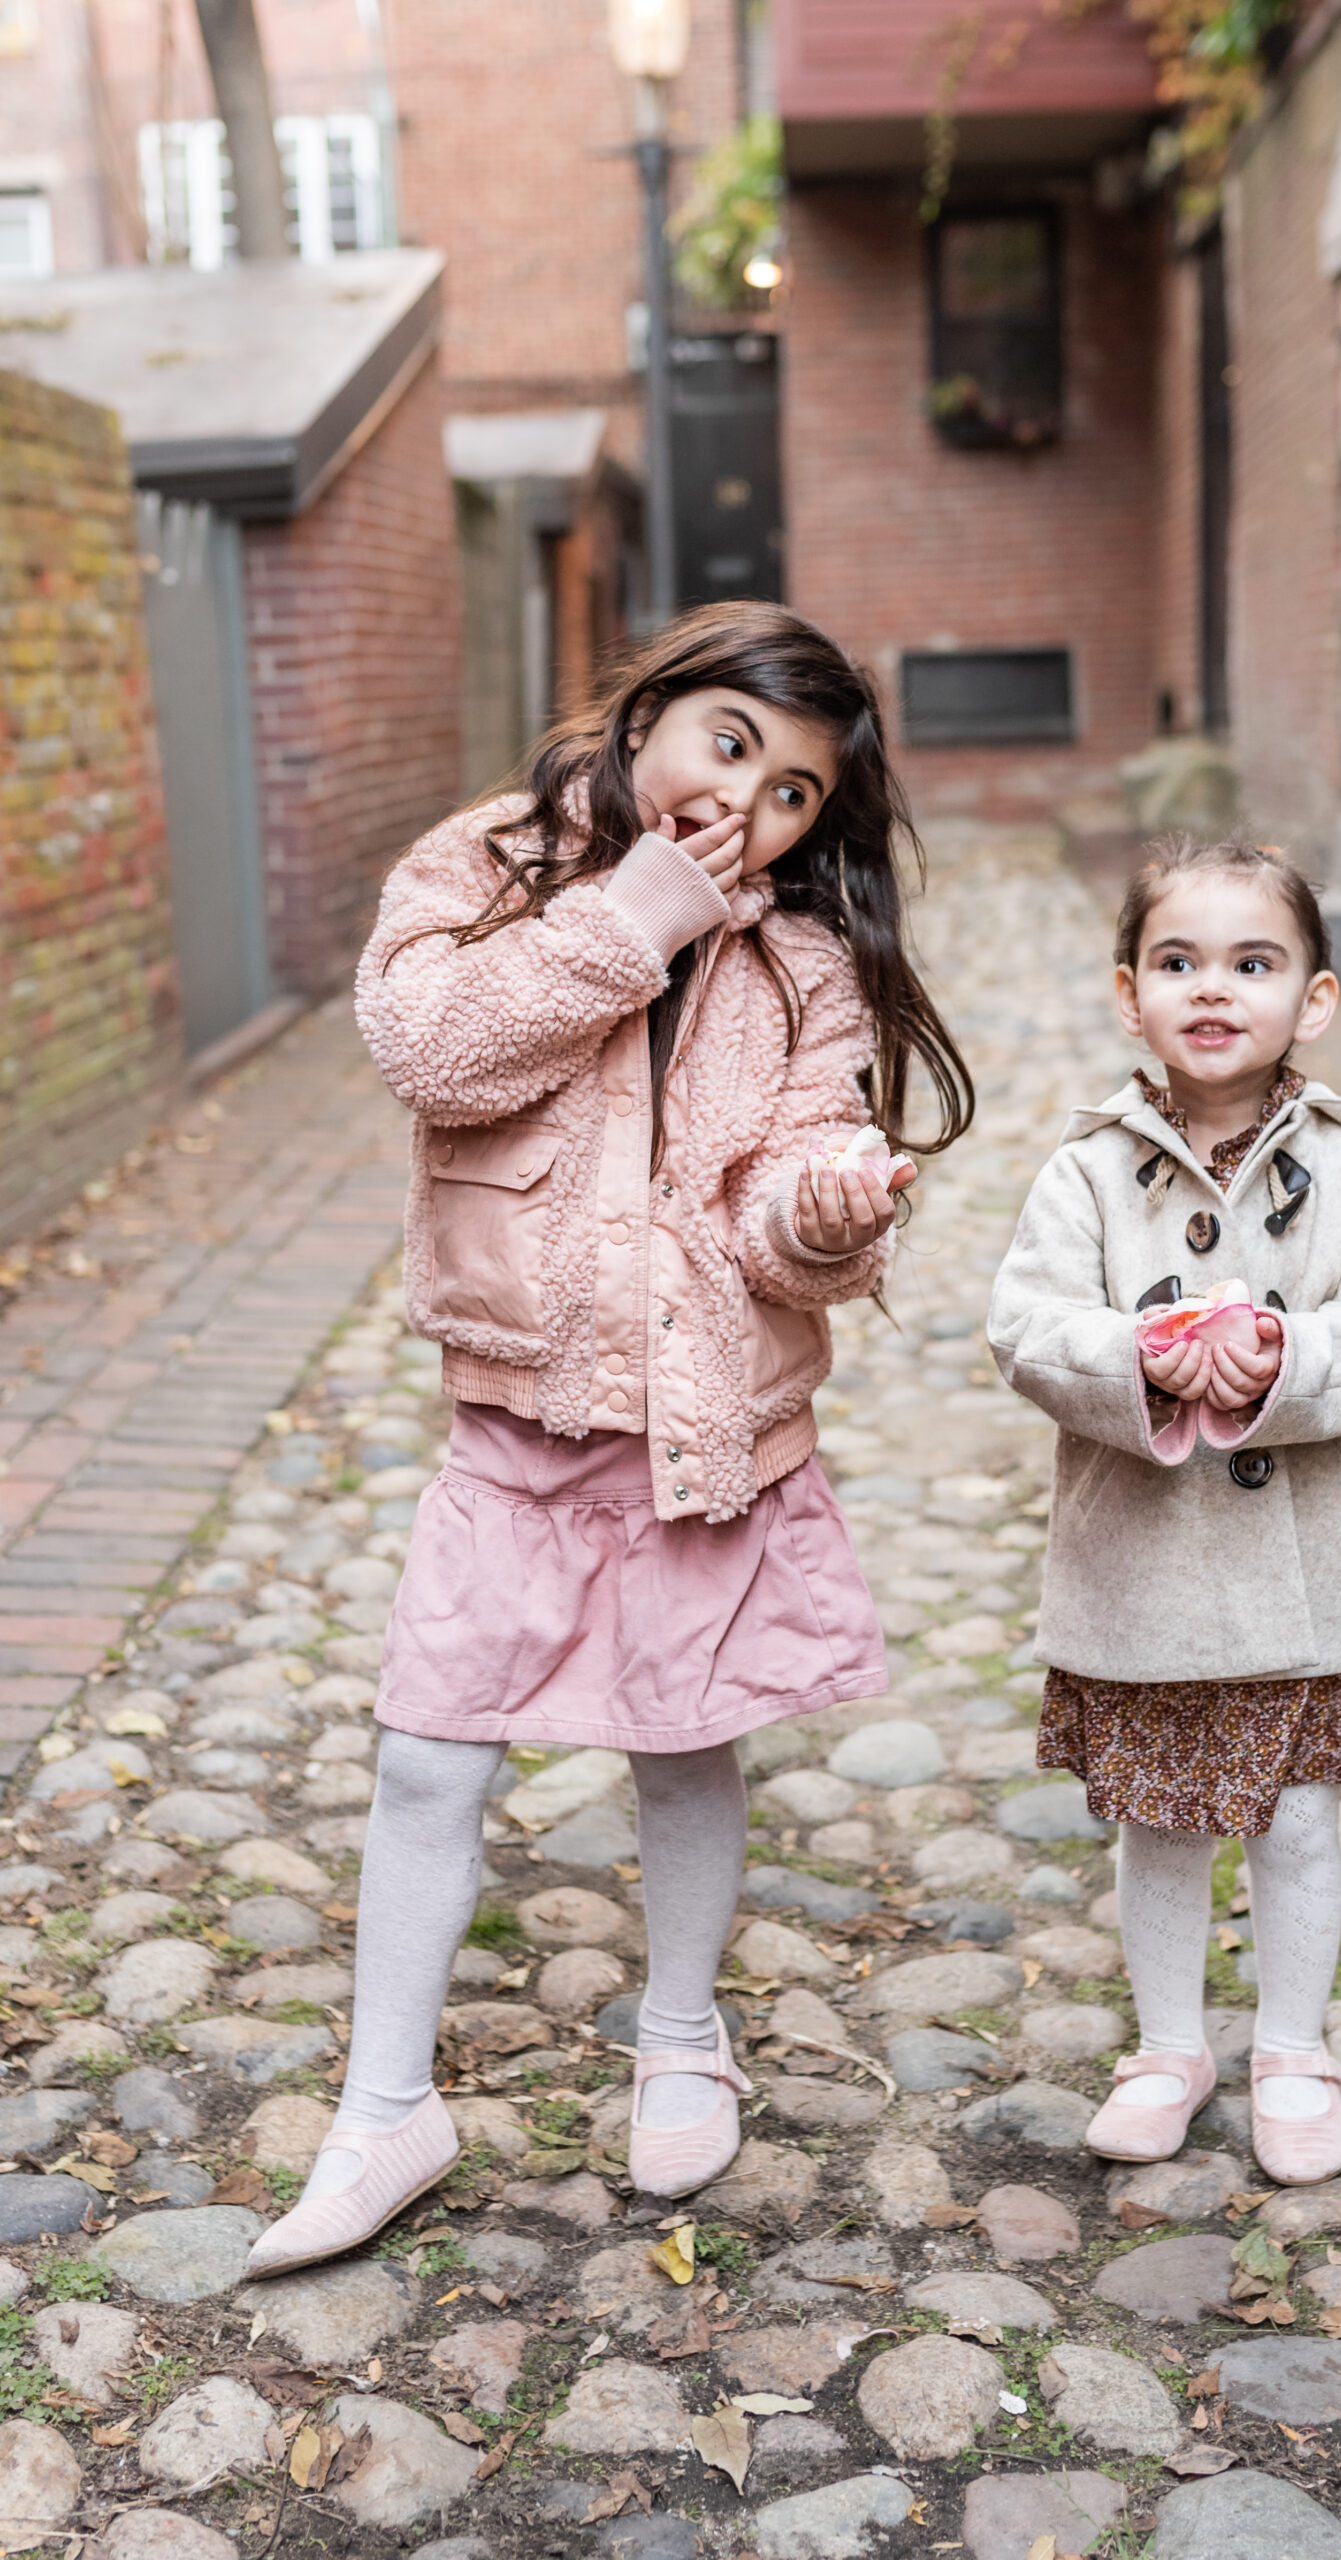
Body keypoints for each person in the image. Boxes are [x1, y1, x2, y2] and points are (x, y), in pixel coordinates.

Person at [245, 602, 973, 2277]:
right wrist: (637, 908)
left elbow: (788, 1193)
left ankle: (679, 2034)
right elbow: (430, 1050)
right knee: (430, 1750)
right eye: (729, 745)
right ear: (649, 711)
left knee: (685, 1735)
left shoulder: (797, 963)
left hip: (706, 1417)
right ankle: (383, 2109)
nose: (752, 807)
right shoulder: (485, 866)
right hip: (513, 1426)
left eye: (795, 793)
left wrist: (831, 1210)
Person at [987, 835, 1341, 2185]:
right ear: (1128, 993)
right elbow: (1023, 1324)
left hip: (1318, 1568)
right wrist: (1129, 1357)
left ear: (1310, 999)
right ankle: (1169, 2043)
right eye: (1177, 961)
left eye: (1252, 963)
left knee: (1298, 1814)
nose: (1212, 989)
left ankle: (1294, 2046)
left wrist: (1285, 1358)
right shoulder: (1086, 1171)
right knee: (1164, 1816)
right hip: (1153, 1561)